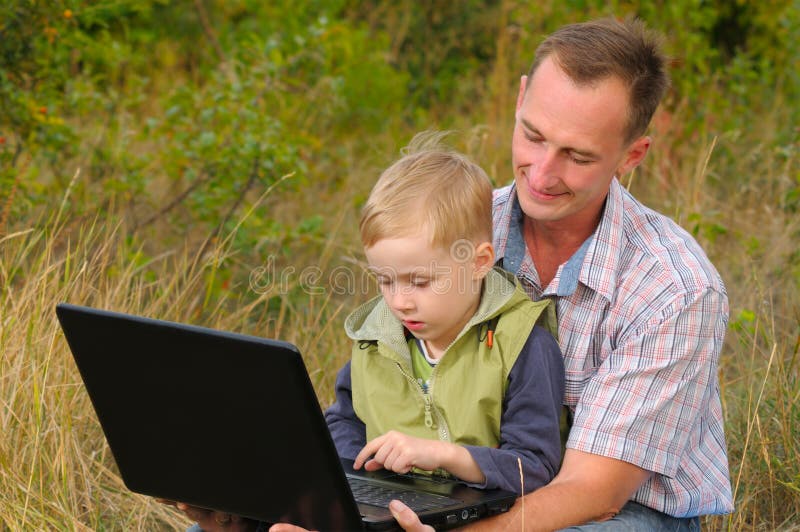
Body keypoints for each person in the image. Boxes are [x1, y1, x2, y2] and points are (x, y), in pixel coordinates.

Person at [180, 15, 735, 531]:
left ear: (632, 154)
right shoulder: (452, 226)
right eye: (533, 135)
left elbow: (594, 491)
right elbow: (364, 404)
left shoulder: (675, 289)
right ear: (519, 99)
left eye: (578, 156)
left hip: (618, 514)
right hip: (449, 493)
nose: (542, 174)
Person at [173, 134, 565, 531]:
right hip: (383, 506)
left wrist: (445, 455)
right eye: (385, 281)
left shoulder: (522, 344)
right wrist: (357, 479)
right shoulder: (377, 339)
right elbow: (344, 422)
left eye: (420, 282)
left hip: (465, 517)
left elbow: (533, 467)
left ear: (479, 263)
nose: (400, 302)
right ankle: (236, 517)